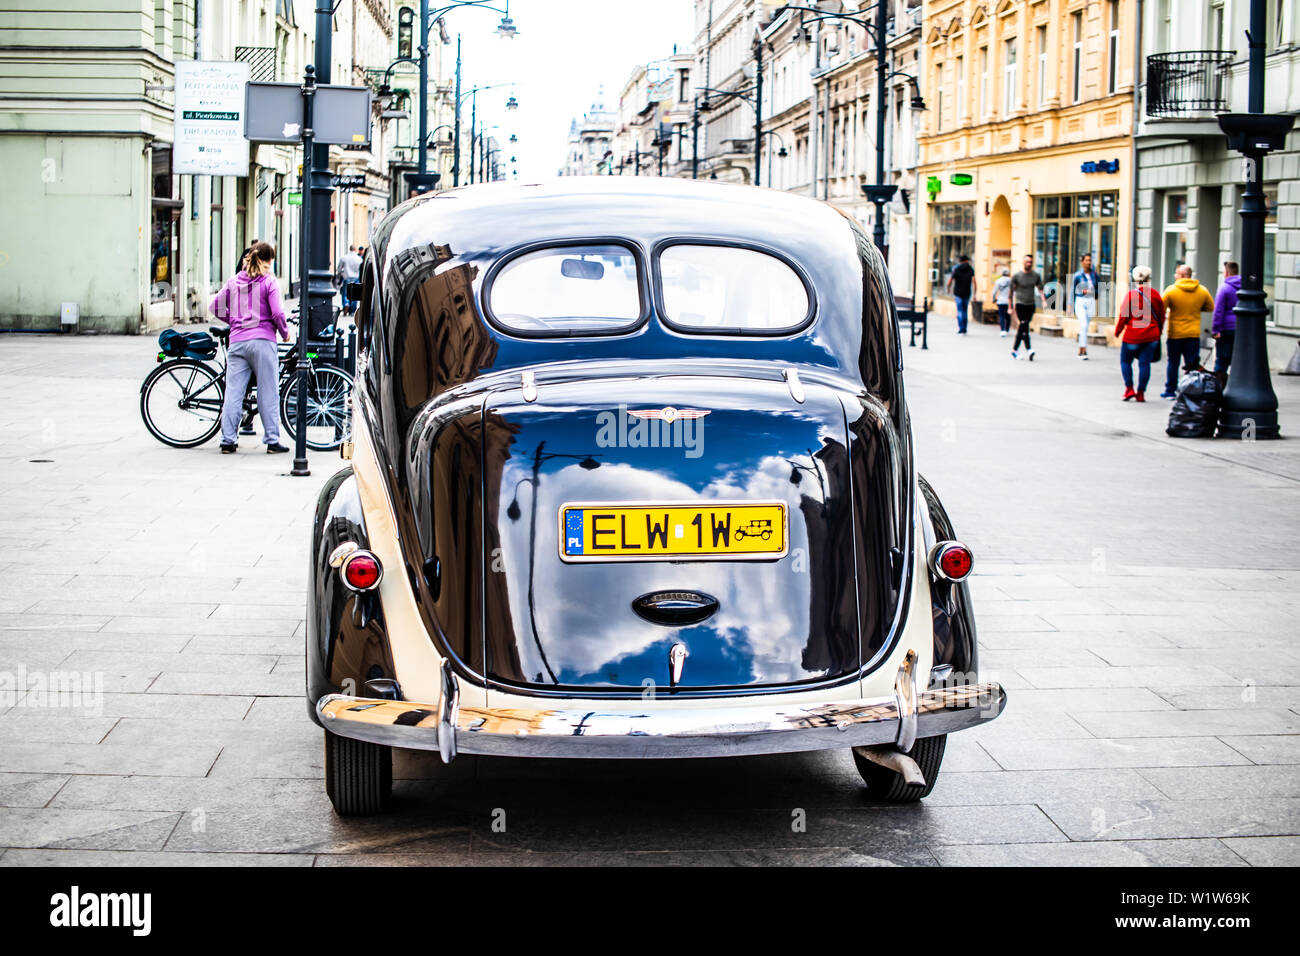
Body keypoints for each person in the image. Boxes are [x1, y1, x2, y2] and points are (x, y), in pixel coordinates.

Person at [208, 241, 291, 454]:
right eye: (270, 261)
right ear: (265, 261)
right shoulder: (269, 282)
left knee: (233, 393)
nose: (271, 265)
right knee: (268, 392)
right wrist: (284, 332)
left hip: (237, 342)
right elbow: (278, 314)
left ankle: (228, 441)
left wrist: (234, 321)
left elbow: (214, 306)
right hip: (263, 341)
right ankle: (272, 440)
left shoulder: (234, 281)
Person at [1160, 264, 1215, 399]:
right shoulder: (1202, 291)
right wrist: (1195, 309)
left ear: (1183, 275)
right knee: (1191, 364)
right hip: (1193, 333)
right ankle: (1191, 389)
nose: (1175, 276)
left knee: (1173, 362)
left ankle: (1170, 390)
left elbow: (1161, 308)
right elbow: (1210, 307)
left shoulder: (1171, 291)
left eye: (1177, 273)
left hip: (1175, 333)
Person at [1112, 266, 1166, 402]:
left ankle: (1129, 389)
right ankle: (1141, 393)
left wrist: (1118, 331)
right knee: (1144, 364)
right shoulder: (1155, 295)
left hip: (1133, 335)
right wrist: (1159, 331)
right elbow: (1161, 315)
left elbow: (1124, 315)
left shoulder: (1131, 295)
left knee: (1125, 361)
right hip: (1151, 335)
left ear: (1135, 279)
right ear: (1148, 279)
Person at [1009, 254, 1045, 360]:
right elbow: (1011, 292)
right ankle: (1029, 349)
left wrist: (1043, 300)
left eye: (1030, 262)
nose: (1029, 264)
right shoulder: (1017, 276)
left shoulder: (1036, 275)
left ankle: (1015, 350)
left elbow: (1040, 288)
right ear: (1023, 262)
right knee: (1024, 324)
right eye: (1027, 262)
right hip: (1020, 303)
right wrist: (1010, 307)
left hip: (1031, 304)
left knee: (1023, 327)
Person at [1211, 260, 1241, 380]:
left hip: (1226, 328)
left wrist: (1216, 330)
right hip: (1240, 328)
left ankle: (1218, 386)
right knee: (1237, 358)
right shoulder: (1244, 287)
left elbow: (1218, 311)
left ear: (1227, 273)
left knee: (1222, 359)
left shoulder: (1224, 288)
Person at [1070, 252, 1099, 360]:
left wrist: (1093, 292)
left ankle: (1082, 349)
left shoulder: (1094, 275)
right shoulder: (1078, 275)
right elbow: (1072, 289)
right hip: (1080, 300)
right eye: (1086, 260)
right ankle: (1082, 350)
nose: (1088, 262)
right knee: (1084, 325)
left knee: (1085, 326)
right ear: (1082, 262)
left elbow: (1099, 287)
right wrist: (1070, 304)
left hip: (1090, 301)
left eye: (1090, 260)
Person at [947, 254, 976, 334]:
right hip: (967, 292)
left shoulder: (956, 269)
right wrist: (974, 294)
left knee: (960, 310)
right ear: (966, 261)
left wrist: (948, 288)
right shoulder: (970, 269)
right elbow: (974, 282)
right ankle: (964, 328)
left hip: (958, 292)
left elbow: (950, 280)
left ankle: (961, 328)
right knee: (965, 310)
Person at [336, 244, 363, 315]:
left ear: (349, 249)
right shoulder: (359, 259)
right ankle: (352, 311)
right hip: (356, 277)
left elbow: (339, 269)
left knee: (345, 293)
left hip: (347, 277)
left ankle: (346, 304)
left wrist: (339, 277)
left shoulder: (344, 258)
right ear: (355, 250)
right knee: (355, 295)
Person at [993, 267, 1012, 337]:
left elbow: (994, 291)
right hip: (1009, 301)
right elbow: (1014, 291)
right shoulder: (1011, 281)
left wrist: (993, 298)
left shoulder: (998, 281)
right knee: (1008, 316)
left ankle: (1002, 330)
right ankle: (1007, 329)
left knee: (1001, 316)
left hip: (1001, 301)